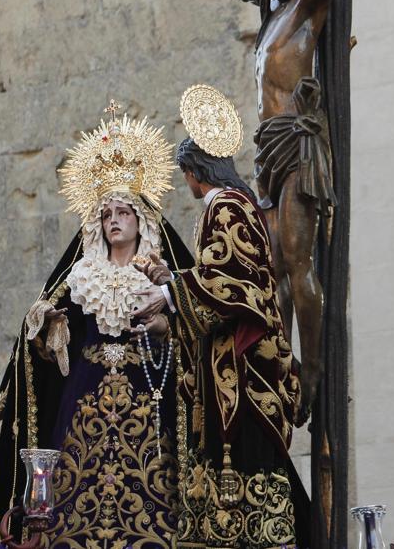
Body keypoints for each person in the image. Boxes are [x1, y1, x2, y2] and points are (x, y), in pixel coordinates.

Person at [0, 106, 193, 548]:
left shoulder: (160, 275)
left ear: (141, 218)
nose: (114, 220)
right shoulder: (80, 275)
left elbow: (194, 331)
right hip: (82, 399)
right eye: (107, 212)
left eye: (124, 211)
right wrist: (48, 328)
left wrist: (168, 319)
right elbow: (38, 333)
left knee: (151, 498)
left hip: (147, 397)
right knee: (72, 500)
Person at [229, 0, 394, 413]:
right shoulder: (270, 26)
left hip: (301, 146)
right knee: (276, 265)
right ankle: (283, 364)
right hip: (270, 151)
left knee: (300, 262)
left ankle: (316, 369)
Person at [132, 87, 308, 549]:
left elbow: (233, 280)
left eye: (184, 174)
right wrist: (170, 282)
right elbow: (218, 274)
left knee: (248, 457)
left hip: (243, 367)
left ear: (195, 172)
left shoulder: (226, 204)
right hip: (224, 360)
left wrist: (169, 292)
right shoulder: (228, 204)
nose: (185, 183)